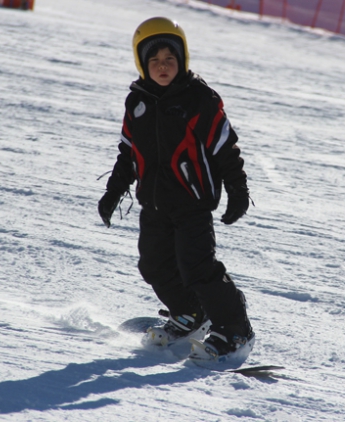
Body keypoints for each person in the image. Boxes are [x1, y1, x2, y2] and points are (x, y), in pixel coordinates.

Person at [98, 17, 254, 361]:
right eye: (154, 60)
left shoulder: (197, 98)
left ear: (182, 60)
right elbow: (128, 152)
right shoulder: (136, 102)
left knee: (197, 267)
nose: (163, 66)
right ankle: (190, 313)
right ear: (142, 63)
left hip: (192, 204)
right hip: (153, 204)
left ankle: (235, 328)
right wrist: (114, 191)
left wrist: (237, 190)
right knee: (153, 266)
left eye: (170, 59)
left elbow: (225, 148)